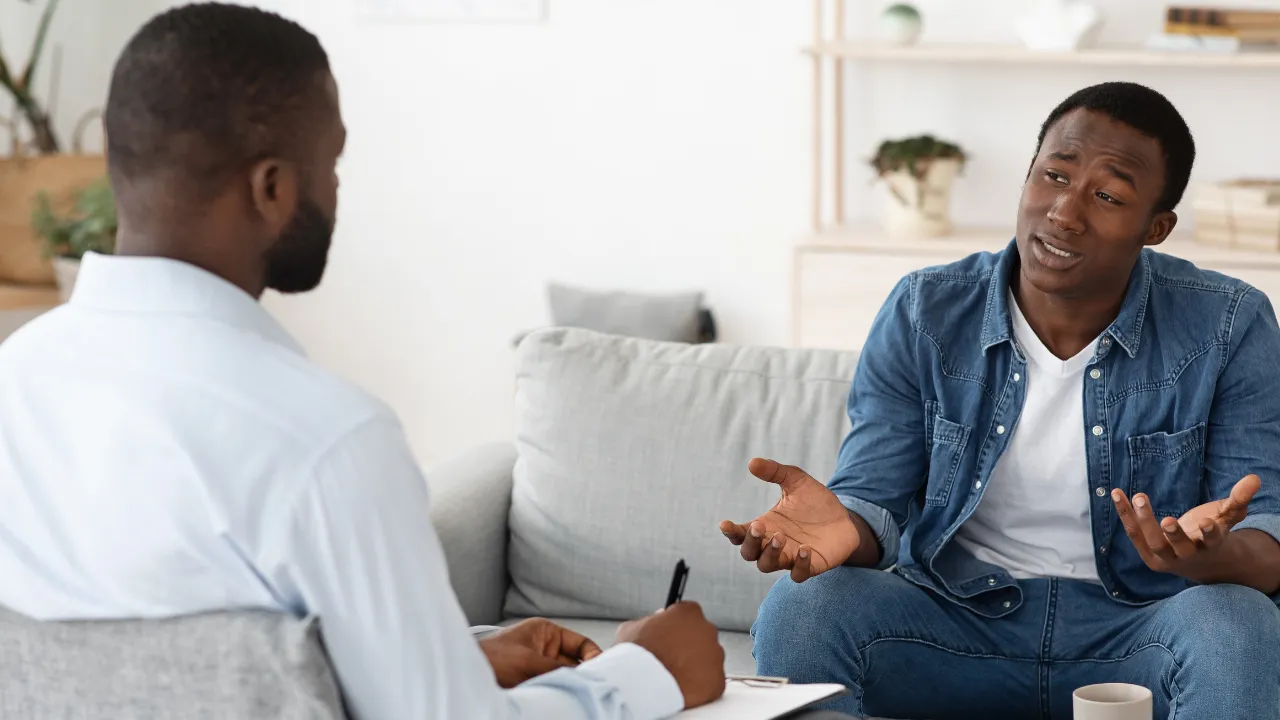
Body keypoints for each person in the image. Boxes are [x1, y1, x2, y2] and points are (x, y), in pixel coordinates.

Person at [0, 4, 726, 719]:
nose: (338, 189)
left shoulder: (15, 381)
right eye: (333, 163)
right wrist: (647, 674)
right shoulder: (324, 440)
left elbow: (156, 678)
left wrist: (448, 663)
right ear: (273, 188)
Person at [722, 81, 1280, 719]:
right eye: (1054, 176)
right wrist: (846, 528)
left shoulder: (1230, 323)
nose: (1064, 212)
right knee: (803, 610)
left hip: (1140, 631)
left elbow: (1265, 533)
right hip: (954, 624)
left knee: (1237, 623)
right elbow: (874, 502)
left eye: (1107, 195)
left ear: (1157, 227)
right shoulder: (924, 309)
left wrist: (1215, 557)